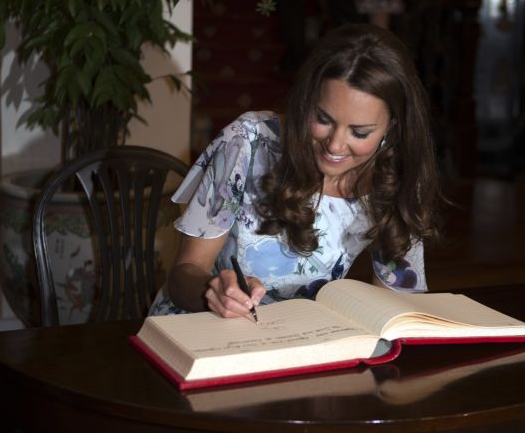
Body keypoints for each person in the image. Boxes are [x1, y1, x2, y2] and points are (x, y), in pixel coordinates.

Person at [149, 24, 443, 319]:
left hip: (298, 341)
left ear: (391, 127)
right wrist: (211, 291)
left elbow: (397, 301)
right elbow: (182, 278)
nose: (336, 145)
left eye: (360, 132)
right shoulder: (247, 143)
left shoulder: (395, 175)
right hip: (199, 329)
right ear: (307, 100)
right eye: (323, 118)